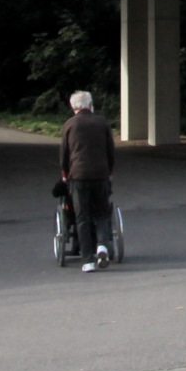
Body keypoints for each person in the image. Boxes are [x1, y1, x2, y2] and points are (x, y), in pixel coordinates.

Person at [58, 89, 115, 273]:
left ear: (73, 107)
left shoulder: (69, 125)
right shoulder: (102, 123)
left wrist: (65, 173)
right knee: (102, 214)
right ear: (90, 105)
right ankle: (102, 247)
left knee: (81, 217)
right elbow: (110, 150)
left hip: (79, 176)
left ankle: (88, 260)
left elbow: (64, 154)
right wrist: (109, 171)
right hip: (100, 174)